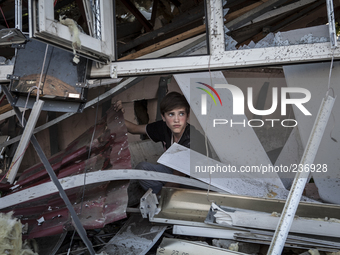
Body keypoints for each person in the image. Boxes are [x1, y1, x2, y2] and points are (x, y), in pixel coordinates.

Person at [114, 91, 206, 194]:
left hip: (199, 184)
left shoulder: (192, 141)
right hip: (175, 175)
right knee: (142, 169)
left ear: (187, 116)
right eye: (171, 114)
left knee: (168, 191)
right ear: (163, 117)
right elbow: (134, 129)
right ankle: (160, 199)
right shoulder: (164, 127)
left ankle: (162, 201)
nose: (176, 120)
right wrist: (117, 116)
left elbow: (175, 181)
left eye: (181, 114)